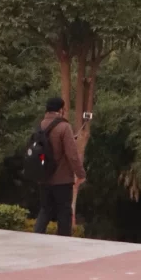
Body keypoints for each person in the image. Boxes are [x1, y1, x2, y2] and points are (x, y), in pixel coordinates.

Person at [32, 97, 85, 236]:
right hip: (62, 179)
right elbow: (72, 155)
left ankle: (36, 237)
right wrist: (81, 174)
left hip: (43, 177)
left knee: (45, 209)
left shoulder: (41, 125)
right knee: (64, 212)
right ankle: (63, 242)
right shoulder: (64, 126)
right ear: (61, 109)